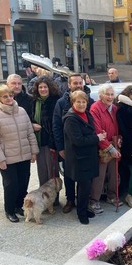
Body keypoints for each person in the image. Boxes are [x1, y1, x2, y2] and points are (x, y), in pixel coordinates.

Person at [0, 85, 39, 223]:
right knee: (11, 184)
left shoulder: (21, 111)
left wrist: (34, 151)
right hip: (7, 157)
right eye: (5, 96)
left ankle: (18, 206)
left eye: (10, 95)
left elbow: (29, 132)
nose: (9, 98)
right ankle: (9, 210)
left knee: (23, 182)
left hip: (24, 154)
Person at [53, 73, 94, 214]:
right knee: (70, 175)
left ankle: (83, 202)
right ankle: (70, 200)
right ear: (69, 85)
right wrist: (60, 148)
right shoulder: (61, 103)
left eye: (80, 82)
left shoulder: (90, 100)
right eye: (74, 83)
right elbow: (57, 126)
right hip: (69, 148)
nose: (78, 85)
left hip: (86, 149)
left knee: (84, 179)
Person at [63, 90, 106, 224]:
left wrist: (99, 135)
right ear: (73, 103)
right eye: (78, 102)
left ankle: (84, 208)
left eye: (84, 102)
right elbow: (78, 141)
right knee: (83, 186)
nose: (81, 104)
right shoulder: (71, 119)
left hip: (89, 157)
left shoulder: (86, 114)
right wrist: (97, 138)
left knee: (86, 186)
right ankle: (81, 213)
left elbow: (91, 130)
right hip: (79, 159)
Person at [89, 85, 122, 214]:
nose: (109, 97)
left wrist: (119, 138)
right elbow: (97, 130)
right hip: (101, 147)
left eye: (111, 94)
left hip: (114, 143)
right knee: (99, 176)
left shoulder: (114, 108)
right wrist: (110, 148)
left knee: (114, 174)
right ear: (101, 96)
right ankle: (93, 201)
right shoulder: (95, 108)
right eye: (107, 94)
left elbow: (118, 126)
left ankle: (112, 196)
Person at [31, 76, 59, 188]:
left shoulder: (55, 101)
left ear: (49, 87)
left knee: (52, 169)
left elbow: (56, 124)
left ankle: (54, 197)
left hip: (51, 141)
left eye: (45, 87)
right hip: (39, 140)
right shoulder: (34, 101)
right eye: (40, 87)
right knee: (42, 170)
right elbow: (31, 117)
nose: (43, 89)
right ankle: (44, 196)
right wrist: (32, 125)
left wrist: (53, 143)